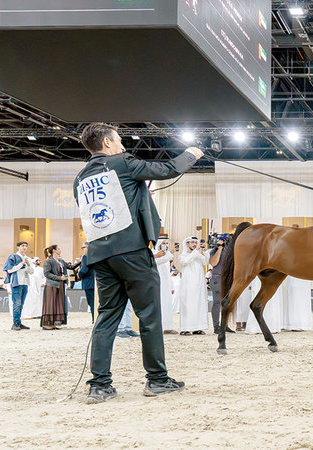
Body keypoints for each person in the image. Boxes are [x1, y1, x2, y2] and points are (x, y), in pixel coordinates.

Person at [73, 122, 200, 403]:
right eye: (118, 140)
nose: (123, 146)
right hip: (132, 252)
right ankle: (157, 379)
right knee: (149, 316)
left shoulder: (80, 178)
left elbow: (101, 209)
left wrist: (139, 194)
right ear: (107, 142)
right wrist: (191, 154)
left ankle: (99, 385)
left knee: (106, 318)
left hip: (100, 255)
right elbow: (168, 169)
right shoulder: (123, 163)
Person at [42, 244, 80, 330]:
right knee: (50, 304)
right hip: (51, 285)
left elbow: (71, 267)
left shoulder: (61, 260)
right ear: (54, 250)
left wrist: (81, 261)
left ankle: (53, 323)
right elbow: (47, 274)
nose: (60, 250)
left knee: (57, 303)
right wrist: (59, 278)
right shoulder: (49, 261)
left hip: (60, 285)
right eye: (58, 248)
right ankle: (47, 324)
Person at [178, 236, 210, 335]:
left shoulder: (197, 255)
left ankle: (197, 327)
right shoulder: (182, 256)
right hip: (188, 285)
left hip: (199, 285)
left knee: (198, 304)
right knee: (188, 305)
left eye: (195, 243)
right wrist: (196, 251)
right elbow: (186, 262)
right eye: (192, 242)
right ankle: (185, 328)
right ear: (187, 244)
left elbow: (206, 261)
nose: (194, 245)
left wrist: (205, 251)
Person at [3, 241, 35, 330]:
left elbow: (31, 272)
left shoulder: (28, 258)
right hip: (16, 283)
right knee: (17, 303)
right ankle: (15, 323)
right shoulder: (12, 257)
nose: (24, 247)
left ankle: (18, 322)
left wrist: (28, 264)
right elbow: (9, 270)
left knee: (21, 304)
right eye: (22, 246)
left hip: (25, 283)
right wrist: (22, 263)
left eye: (26, 246)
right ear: (18, 247)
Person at [207, 237, 234, 334]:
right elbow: (213, 263)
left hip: (228, 280)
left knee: (227, 303)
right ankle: (216, 326)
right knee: (217, 302)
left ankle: (225, 325)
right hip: (217, 279)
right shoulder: (214, 251)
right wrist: (219, 248)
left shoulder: (230, 251)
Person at [153, 237, 177, 334]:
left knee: (167, 305)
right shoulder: (153, 253)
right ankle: (158, 327)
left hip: (166, 284)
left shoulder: (166, 255)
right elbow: (156, 262)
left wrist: (171, 286)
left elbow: (168, 272)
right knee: (159, 305)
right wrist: (169, 254)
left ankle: (168, 327)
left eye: (167, 243)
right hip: (157, 283)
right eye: (163, 243)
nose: (166, 245)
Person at [77, 242, 96, 323]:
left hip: (88, 283)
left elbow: (84, 270)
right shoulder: (95, 256)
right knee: (95, 303)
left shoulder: (85, 257)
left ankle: (94, 320)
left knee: (91, 303)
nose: (82, 249)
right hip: (95, 283)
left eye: (83, 247)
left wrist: (79, 274)